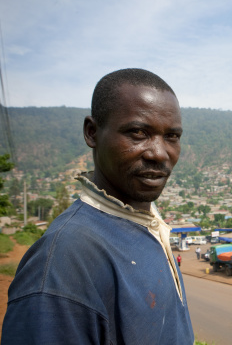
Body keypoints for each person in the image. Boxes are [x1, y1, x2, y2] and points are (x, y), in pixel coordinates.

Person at [2, 68, 194, 344]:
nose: (159, 153)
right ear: (92, 133)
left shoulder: (146, 223)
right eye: (138, 132)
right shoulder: (64, 261)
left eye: (172, 137)